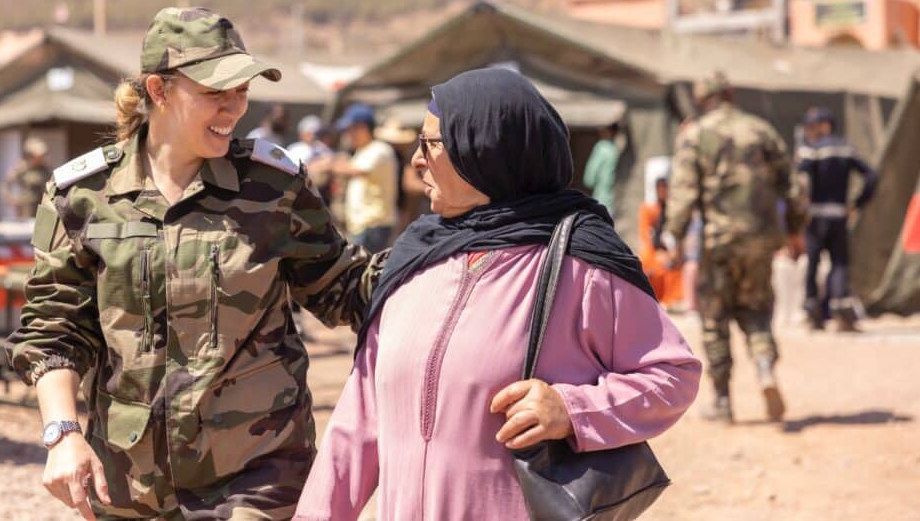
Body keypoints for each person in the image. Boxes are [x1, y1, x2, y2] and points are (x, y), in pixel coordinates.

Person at [6, 7, 378, 521]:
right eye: (214, 93)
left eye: (242, 90)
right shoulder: (82, 196)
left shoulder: (274, 188)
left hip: (256, 475)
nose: (234, 108)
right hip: (127, 486)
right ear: (158, 90)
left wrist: (449, 256)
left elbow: (346, 288)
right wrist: (62, 433)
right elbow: (53, 329)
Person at [294, 68, 700, 520]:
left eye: (430, 144)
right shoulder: (412, 261)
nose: (416, 161)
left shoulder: (578, 264)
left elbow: (672, 374)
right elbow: (359, 420)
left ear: (484, 151)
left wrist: (573, 410)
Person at [664, 71, 806, 424]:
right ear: (731, 93)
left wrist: (673, 238)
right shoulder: (761, 130)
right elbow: (793, 186)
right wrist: (795, 231)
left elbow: (683, 194)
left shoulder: (694, 135)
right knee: (757, 311)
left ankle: (724, 401)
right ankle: (764, 369)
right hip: (761, 242)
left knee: (715, 320)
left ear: (701, 98)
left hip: (718, 243)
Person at [797, 106, 878, 332]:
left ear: (825, 126)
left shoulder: (810, 151)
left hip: (815, 216)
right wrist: (858, 204)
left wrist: (799, 210)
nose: (809, 131)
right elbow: (871, 176)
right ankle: (841, 309)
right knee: (839, 264)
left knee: (813, 263)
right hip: (839, 215)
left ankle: (813, 313)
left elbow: (800, 181)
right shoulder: (846, 149)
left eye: (813, 126)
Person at [331, 103, 398, 253]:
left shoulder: (379, 149)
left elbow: (354, 170)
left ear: (362, 128)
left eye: (350, 130)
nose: (347, 135)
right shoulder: (362, 151)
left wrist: (327, 165)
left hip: (373, 225)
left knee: (364, 273)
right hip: (363, 226)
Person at [638, 177, 683, 306]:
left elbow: (676, 234)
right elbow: (645, 234)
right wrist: (657, 252)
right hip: (653, 251)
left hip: (669, 250)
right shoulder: (649, 209)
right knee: (652, 265)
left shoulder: (672, 209)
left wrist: (673, 251)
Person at [2, 136, 51, 218]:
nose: (42, 157)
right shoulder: (22, 168)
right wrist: (12, 201)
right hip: (26, 209)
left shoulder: (45, 169)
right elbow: (5, 185)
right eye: (39, 155)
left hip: (42, 206)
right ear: (31, 155)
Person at [581, 122, 621, 216]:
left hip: (602, 200)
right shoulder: (616, 149)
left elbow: (589, 179)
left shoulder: (602, 148)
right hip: (615, 202)